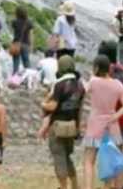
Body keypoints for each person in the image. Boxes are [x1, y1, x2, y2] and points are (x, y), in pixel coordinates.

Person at [83, 55, 123, 189]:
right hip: (112, 126)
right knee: (112, 159)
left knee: (89, 161)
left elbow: (83, 92)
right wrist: (115, 115)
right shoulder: (117, 84)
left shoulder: (93, 82)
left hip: (95, 126)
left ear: (96, 67)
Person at [41, 56, 84, 189]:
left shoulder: (59, 85)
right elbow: (80, 109)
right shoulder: (80, 85)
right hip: (72, 126)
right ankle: (75, 185)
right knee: (67, 156)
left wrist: (43, 104)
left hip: (58, 126)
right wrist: (78, 127)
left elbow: (53, 106)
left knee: (59, 157)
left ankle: (63, 186)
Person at [11, 6, 33, 75]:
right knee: (27, 64)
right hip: (26, 44)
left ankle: (15, 81)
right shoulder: (29, 22)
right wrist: (31, 46)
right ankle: (28, 80)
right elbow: (31, 35)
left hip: (16, 44)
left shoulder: (14, 22)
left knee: (16, 64)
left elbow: (13, 32)